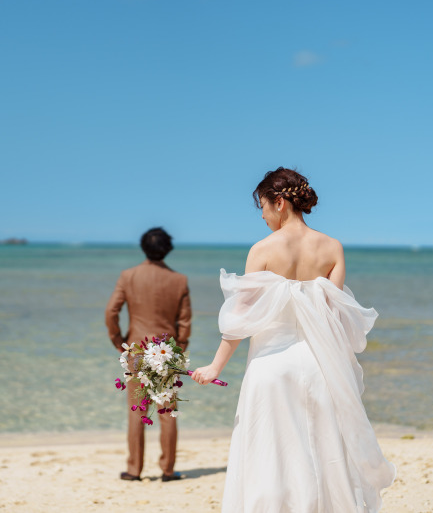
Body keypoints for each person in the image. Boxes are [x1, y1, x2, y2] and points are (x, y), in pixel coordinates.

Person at [192, 167, 395, 512]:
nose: (262, 214)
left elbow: (240, 319)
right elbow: (338, 318)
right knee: (323, 454)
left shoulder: (263, 250)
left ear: (281, 202)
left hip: (271, 369)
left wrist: (215, 366)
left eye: (263, 206)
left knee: (271, 458)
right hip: (320, 368)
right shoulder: (332, 248)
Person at [105, 227, 192, 482]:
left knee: (136, 410)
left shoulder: (128, 276)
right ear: (168, 248)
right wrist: (180, 349)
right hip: (167, 352)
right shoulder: (179, 280)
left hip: (136, 350)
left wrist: (119, 341)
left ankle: (134, 469)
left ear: (144, 247)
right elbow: (185, 321)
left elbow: (111, 312)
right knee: (167, 410)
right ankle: (167, 469)